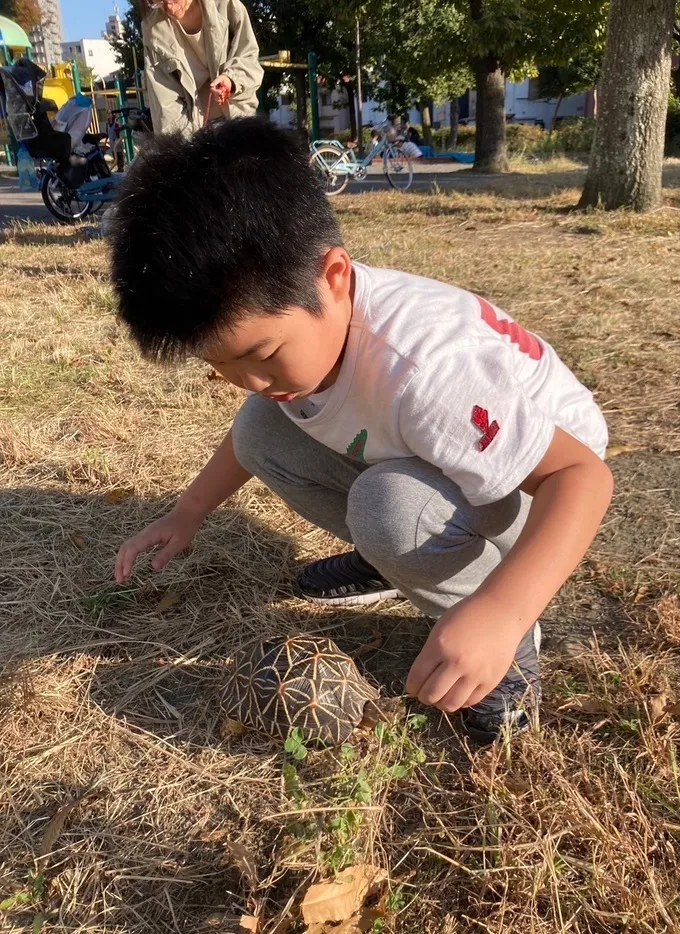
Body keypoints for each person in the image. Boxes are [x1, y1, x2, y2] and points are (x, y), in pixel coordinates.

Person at [109, 118, 613, 745]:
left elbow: (581, 477)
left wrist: (503, 613)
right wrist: (186, 512)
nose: (252, 380)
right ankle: (394, 562)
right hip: (447, 456)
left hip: (536, 497)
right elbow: (258, 418)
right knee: (262, 430)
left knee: (390, 510)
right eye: (223, 367)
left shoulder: (428, 371)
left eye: (264, 354)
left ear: (335, 276)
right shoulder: (309, 342)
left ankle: (507, 648)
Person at [139, 0, 263, 134]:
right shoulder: (153, 29)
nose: (168, 6)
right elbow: (165, 103)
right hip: (190, 129)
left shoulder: (227, 5)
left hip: (237, 117)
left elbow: (248, 57)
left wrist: (231, 79)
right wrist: (184, 147)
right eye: (158, 2)